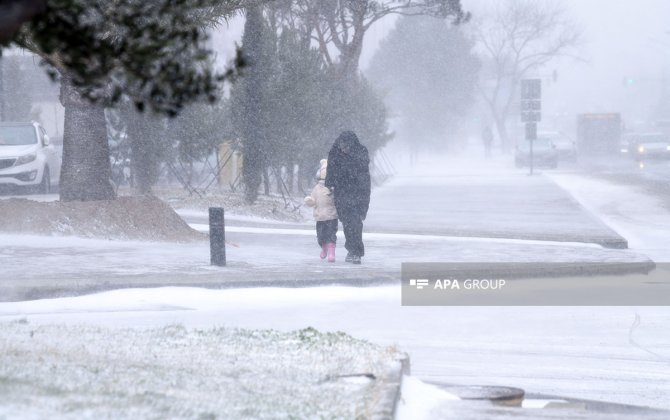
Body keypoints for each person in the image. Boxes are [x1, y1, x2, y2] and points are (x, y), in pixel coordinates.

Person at [325, 130, 371, 264]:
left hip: (357, 193)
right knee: (347, 223)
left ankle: (356, 251)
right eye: (342, 146)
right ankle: (352, 249)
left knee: (355, 223)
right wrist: (330, 184)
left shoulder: (359, 154)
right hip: (342, 193)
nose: (344, 148)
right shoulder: (335, 154)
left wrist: (363, 203)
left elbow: (363, 177)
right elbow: (331, 171)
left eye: (346, 146)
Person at [304, 159, 338, 262]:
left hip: (332, 216)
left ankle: (332, 253)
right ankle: (324, 247)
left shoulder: (334, 188)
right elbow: (313, 199)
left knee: (331, 235)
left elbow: (338, 200)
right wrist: (310, 201)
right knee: (320, 236)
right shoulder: (316, 188)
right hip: (320, 217)